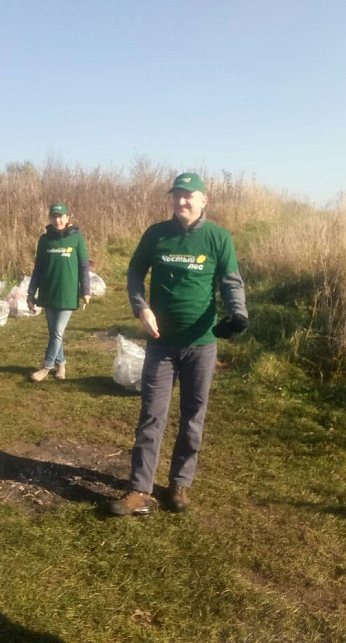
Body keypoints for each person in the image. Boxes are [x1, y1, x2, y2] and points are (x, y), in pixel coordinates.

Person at [108, 172, 248, 516]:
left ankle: (179, 484)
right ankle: (140, 489)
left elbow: (230, 281)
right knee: (151, 415)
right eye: (177, 196)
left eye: (189, 196)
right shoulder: (156, 235)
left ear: (204, 201)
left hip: (201, 344)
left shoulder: (218, 238)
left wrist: (237, 313)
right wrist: (141, 309)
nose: (182, 201)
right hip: (161, 344)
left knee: (193, 417)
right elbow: (134, 274)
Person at [26, 202, 91, 382]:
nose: (57, 220)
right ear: (50, 219)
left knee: (57, 332)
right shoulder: (44, 240)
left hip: (67, 294)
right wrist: (31, 293)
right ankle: (61, 363)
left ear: (67, 218)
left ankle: (46, 367)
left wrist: (85, 290)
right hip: (48, 293)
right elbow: (38, 268)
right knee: (55, 332)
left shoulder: (77, 238)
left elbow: (84, 266)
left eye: (61, 216)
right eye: (54, 216)